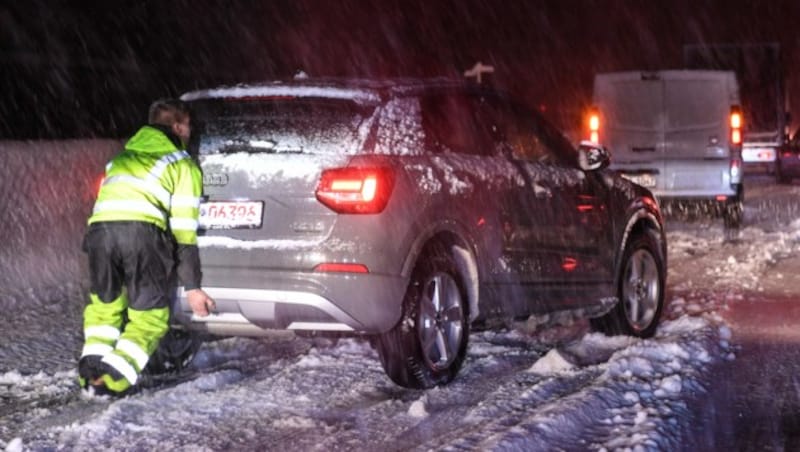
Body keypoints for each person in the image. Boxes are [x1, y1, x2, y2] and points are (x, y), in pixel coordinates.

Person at [78, 98, 215, 396]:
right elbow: (183, 231)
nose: (190, 132)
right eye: (189, 126)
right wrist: (193, 286)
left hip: (100, 235)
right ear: (178, 126)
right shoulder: (181, 164)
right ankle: (114, 380)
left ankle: (91, 374)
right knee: (149, 316)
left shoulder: (121, 159)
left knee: (104, 309)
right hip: (141, 236)